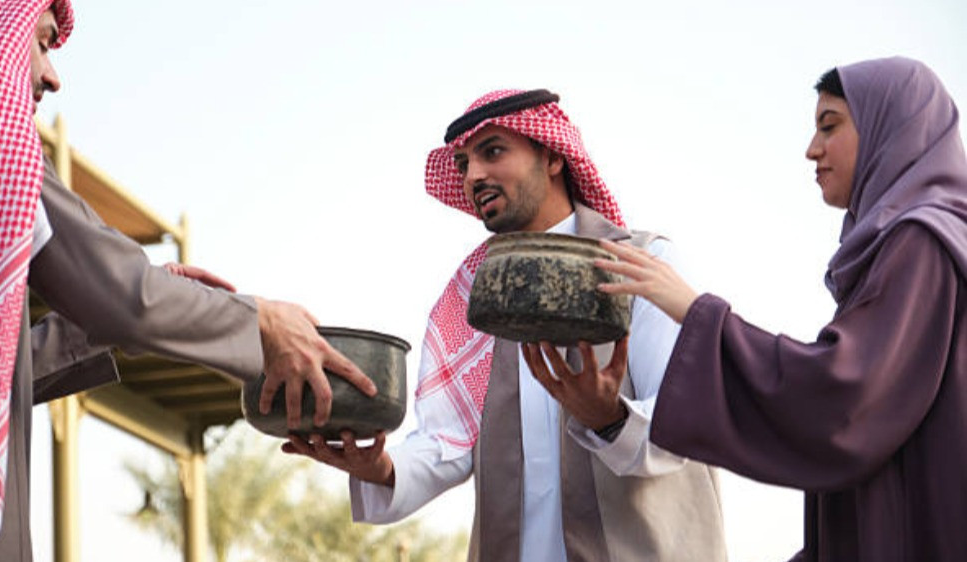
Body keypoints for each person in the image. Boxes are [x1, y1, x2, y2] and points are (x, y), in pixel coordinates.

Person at [0, 2, 375, 560]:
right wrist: (262, 323)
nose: (52, 75)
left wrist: (103, 321)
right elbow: (125, 297)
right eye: (40, 42)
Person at [284, 89, 727, 561]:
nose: (475, 175)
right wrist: (381, 468)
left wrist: (609, 420)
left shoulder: (638, 263)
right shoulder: (474, 294)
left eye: (493, 151)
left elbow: (685, 424)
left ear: (552, 155)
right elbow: (445, 443)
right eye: (464, 164)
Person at [581, 57, 967, 561]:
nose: (812, 150)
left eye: (830, 126)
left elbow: (846, 397)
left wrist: (696, 313)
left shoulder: (922, 240)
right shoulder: (904, 248)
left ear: (892, 129)